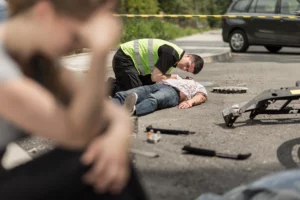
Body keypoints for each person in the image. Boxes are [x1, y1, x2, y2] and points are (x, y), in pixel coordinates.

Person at [0, 0, 147, 199]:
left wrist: (117, 137)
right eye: (74, 37)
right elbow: (77, 134)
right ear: (43, 13)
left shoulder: (37, 58)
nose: (73, 48)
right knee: (89, 159)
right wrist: (99, 53)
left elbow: (109, 112)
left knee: (104, 156)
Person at [108, 38, 204, 96]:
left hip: (131, 63)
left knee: (146, 89)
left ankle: (117, 84)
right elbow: (156, 77)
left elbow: (154, 79)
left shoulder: (174, 59)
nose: (184, 68)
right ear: (188, 56)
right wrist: (175, 76)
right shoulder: (171, 55)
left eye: (187, 70)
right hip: (124, 58)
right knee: (136, 93)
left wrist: (181, 80)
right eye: (187, 65)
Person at [112, 76, 207, 116]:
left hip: (174, 92)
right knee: (129, 94)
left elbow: (202, 96)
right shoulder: (178, 78)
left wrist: (190, 102)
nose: (188, 77)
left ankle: (131, 112)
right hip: (157, 85)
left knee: (154, 99)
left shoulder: (197, 85)